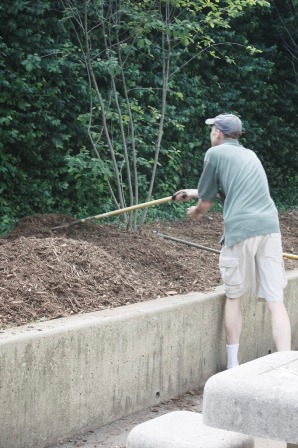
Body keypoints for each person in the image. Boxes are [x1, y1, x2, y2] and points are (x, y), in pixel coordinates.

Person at [172, 113, 291, 369]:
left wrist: (195, 211)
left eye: (212, 128)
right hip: (269, 227)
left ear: (217, 132)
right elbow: (224, 188)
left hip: (240, 229)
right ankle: (287, 365)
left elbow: (207, 201)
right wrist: (191, 192)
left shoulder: (213, 154)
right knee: (275, 300)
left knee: (234, 295)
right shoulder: (249, 155)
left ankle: (232, 366)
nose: (211, 132)